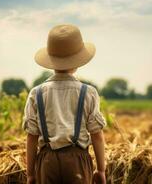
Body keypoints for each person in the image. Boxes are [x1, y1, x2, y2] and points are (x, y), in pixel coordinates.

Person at [23, 24, 106, 184]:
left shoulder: (36, 93)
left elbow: (31, 137)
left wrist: (30, 173)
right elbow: (97, 135)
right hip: (77, 161)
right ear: (78, 62)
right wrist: (101, 169)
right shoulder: (88, 92)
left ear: (51, 60)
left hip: (47, 161)